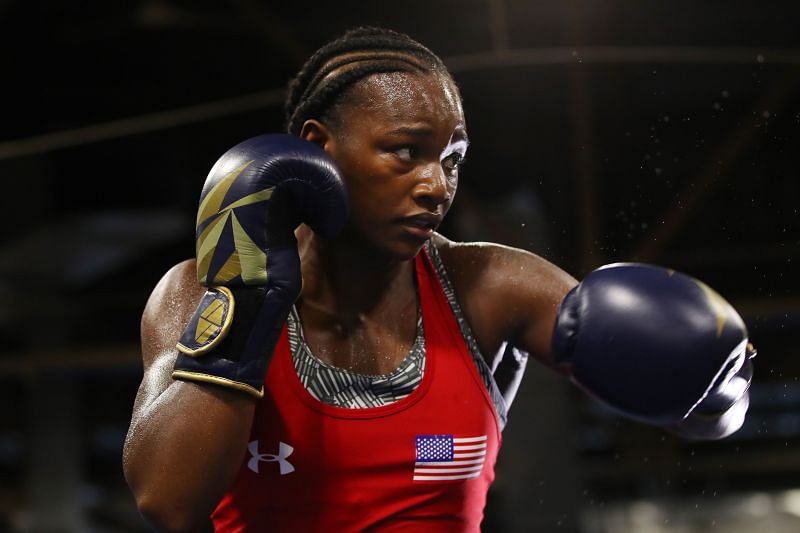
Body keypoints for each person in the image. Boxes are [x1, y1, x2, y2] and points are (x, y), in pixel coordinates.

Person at [123, 27, 754, 532]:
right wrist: (248, 296)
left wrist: (709, 381)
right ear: (317, 147)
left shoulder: (489, 285)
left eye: (452, 158)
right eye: (406, 151)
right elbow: (168, 501)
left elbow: (708, 402)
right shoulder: (195, 292)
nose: (436, 186)